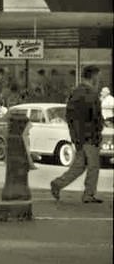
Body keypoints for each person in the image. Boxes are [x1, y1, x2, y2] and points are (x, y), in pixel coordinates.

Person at [51, 66, 104, 204]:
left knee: (79, 166)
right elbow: (94, 116)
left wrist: (75, 136)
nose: (99, 79)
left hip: (82, 135)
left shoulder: (77, 92)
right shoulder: (89, 93)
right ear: (93, 77)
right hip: (90, 135)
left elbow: (71, 116)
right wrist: (97, 130)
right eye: (98, 76)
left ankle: (58, 184)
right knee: (93, 166)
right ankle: (88, 194)